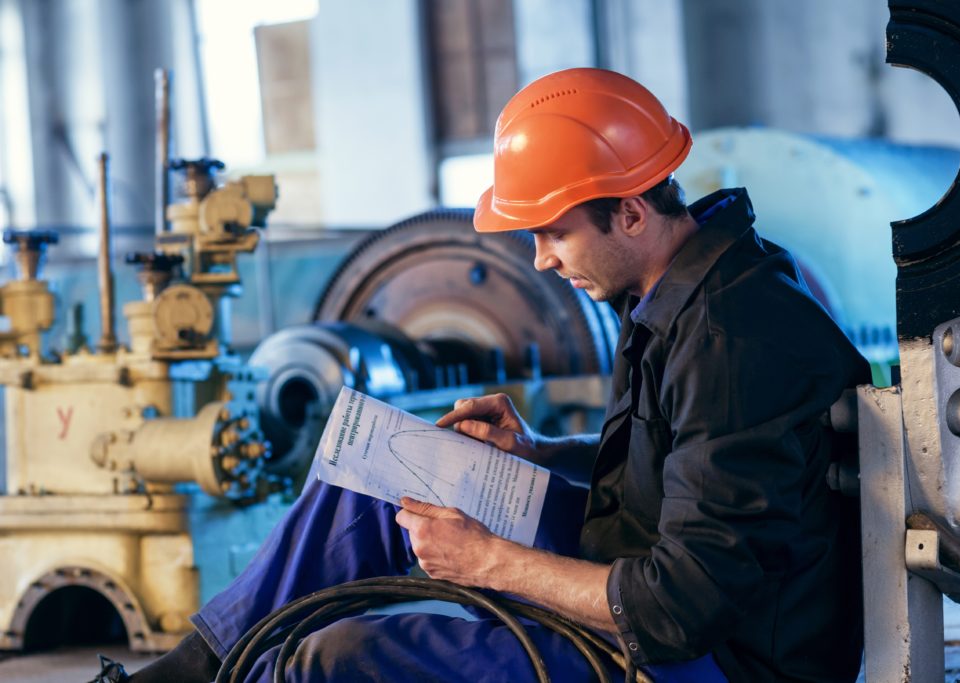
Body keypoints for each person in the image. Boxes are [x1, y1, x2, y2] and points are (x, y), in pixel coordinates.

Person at [105, 68, 869, 683]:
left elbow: (680, 606)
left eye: (553, 232)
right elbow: (686, 455)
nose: (540, 259)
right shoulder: (682, 291)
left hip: (707, 658)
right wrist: (542, 452)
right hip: (639, 560)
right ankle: (192, 669)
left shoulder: (733, 340)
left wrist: (492, 561)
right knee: (374, 476)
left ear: (631, 213)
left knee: (333, 658)